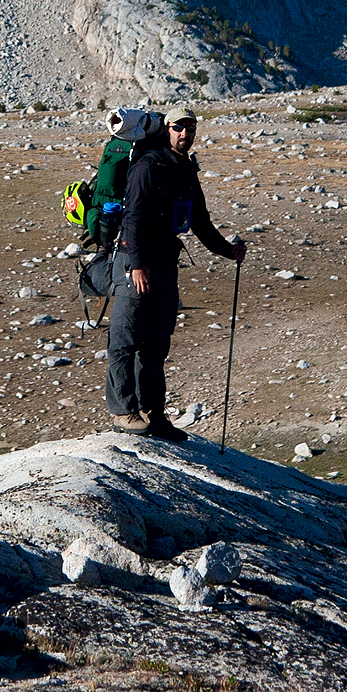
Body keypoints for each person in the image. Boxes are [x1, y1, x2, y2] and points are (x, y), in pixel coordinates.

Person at [104, 103, 245, 442]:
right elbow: (133, 218)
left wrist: (228, 251)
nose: (185, 134)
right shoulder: (147, 167)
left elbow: (199, 221)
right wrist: (136, 265)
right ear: (166, 131)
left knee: (156, 343)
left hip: (165, 264)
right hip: (134, 264)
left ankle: (154, 414)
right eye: (179, 128)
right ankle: (123, 412)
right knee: (125, 340)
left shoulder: (185, 170)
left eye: (190, 129)